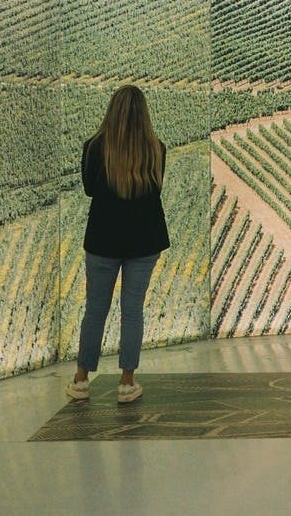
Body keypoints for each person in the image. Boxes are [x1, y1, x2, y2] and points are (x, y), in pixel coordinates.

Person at [66, 85, 170, 404]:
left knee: (95, 310)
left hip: (103, 241)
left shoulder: (94, 148)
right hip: (144, 240)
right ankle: (127, 382)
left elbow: (88, 189)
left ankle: (82, 379)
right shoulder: (156, 148)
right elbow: (156, 188)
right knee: (132, 311)